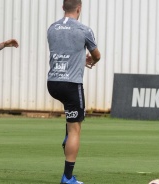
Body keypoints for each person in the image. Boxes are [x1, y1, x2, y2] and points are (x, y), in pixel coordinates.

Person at [47, 0, 101, 183]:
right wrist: (89, 60)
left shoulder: (52, 28)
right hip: (71, 84)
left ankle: (67, 136)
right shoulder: (84, 30)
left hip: (53, 83)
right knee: (76, 129)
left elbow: (63, 50)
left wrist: (77, 58)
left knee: (71, 123)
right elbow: (97, 55)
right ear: (79, 8)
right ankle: (68, 178)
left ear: (63, 8)